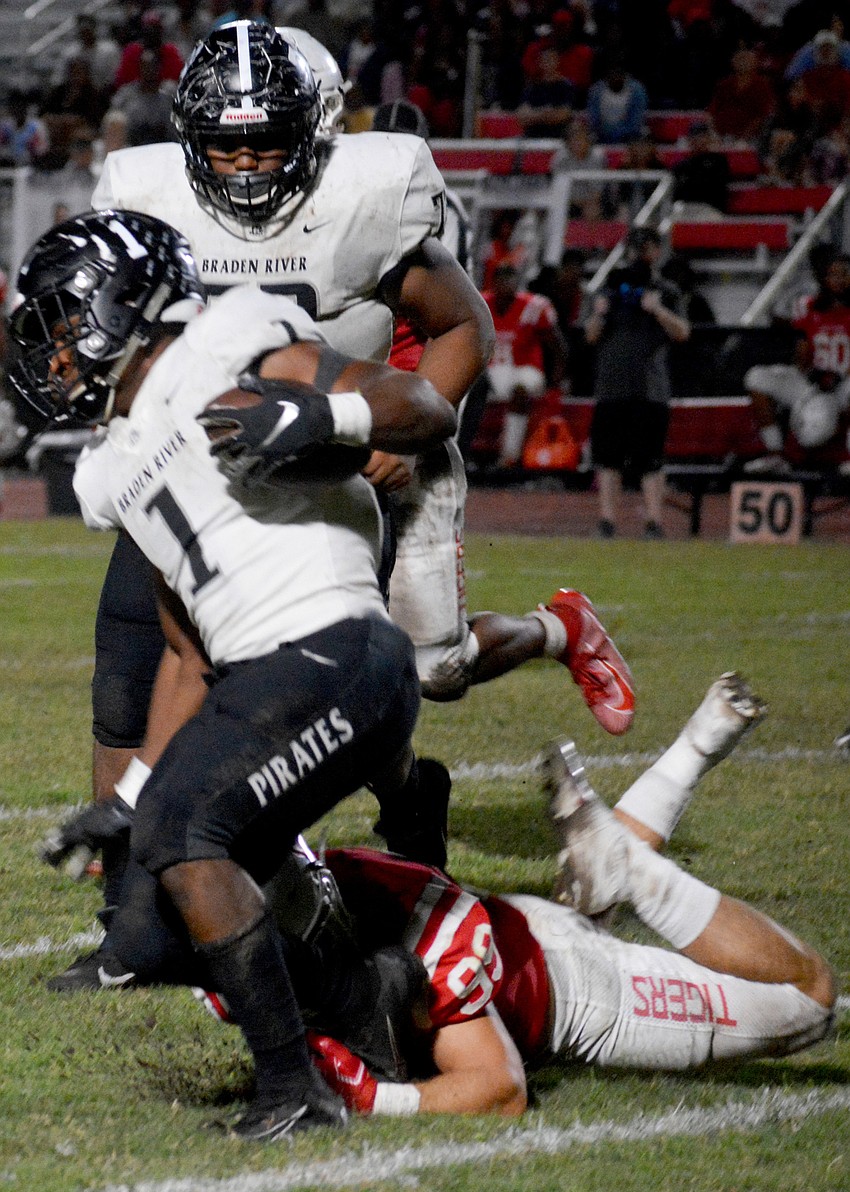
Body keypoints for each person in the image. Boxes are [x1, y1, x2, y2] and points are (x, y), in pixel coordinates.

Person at [47, 23, 635, 990]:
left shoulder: (360, 202)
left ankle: (426, 771)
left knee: (393, 674)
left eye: (265, 142)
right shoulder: (154, 204)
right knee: (130, 662)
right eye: (224, 143)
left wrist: (382, 430)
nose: (244, 164)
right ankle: (130, 924)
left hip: (352, 460)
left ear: (313, 134)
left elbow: (463, 326)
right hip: (203, 466)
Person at [8, 208, 457, 1139]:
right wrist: (129, 795)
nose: (53, 353)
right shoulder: (110, 466)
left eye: (65, 323)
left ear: (125, 303)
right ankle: (365, 1000)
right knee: (146, 930)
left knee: (187, 833)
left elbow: (423, 405)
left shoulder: (231, 340)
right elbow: (186, 649)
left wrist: (322, 413)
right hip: (264, 679)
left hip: (339, 651)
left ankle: (295, 1091)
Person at [206, 674, 836, 1117]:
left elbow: (501, 1089)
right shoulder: (236, 941)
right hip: (525, 931)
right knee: (590, 904)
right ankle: (692, 751)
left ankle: (636, 869)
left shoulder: (423, 937)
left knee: (810, 998)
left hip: (577, 987)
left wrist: (375, 1099)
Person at [584, 226, 691, 539]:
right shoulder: (610, 288)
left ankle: (654, 522)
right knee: (608, 458)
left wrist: (657, 310)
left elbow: (683, 332)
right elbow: (590, 335)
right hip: (612, 385)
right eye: (635, 247)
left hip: (649, 387)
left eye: (645, 247)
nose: (639, 254)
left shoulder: (666, 290)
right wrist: (600, 314)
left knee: (650, 458)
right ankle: (607, 521)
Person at [743, 251, 850, 473]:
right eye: (833, 274)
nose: (839, 280)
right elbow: (802, 355)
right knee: (756, 377)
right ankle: (775, 455)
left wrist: (839, 376)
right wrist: (811, 373)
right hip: (815, 382)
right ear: (823, 278)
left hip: (844, 384)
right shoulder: (809, 307)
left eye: (845, 274)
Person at [482, 262, 568, 468]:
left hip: (525, 369)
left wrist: (556, 382)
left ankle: (510, 455)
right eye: (503, 280)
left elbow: (558, 347)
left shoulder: (533, 307)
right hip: (491, 371)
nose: (507, 285)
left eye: (511, 280)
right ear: (494, 282)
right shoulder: (481, 304)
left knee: (519, 389)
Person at [671, 120, 730, 219]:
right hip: (686, 207)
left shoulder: (719, 161)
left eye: (702, 136)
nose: (698, 140)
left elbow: (713, 189)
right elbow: (676, 192)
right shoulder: (682, 165)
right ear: (689, 140)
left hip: (709, 208)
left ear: (709, 139)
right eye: (694, 137)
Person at [585, 61, 648, 145]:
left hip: (629, 135)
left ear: (624, 77)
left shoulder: (637, 91)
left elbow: (636, 120)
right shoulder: (596, 90)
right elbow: (594, 118)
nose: (615, 79)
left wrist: (619, 133)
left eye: (618, 76)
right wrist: (604, 132)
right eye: (612, 76)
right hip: (602, 135)